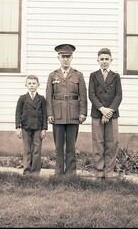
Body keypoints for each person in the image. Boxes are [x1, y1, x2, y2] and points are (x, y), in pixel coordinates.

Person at [46, 44, 87, 176]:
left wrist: (82, 113)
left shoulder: (78, 75)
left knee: (71, 146)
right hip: (57, 115)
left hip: (73, 114)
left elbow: (83, 95)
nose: (65, 59)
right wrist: (50, 113)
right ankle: (58, 173)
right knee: (58, 146)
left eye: (68, 57)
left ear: (72, 58)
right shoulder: (52, 75)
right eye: (63, 57)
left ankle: (70, 173)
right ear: (58, 57)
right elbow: (48, 96)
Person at [88, 48, 122, 180]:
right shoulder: (93, 75)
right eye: (101, 59)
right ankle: (99, 172)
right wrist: (102, 109)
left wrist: (109, 111)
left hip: (112, 115)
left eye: (106, 59)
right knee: (98, 143)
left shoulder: (116, 76)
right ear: (98, 60)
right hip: (97, 114)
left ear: (111, 60)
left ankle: (109, 172)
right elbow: (92, 94)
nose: (104, 62)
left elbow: (119, 95)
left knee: (112, 143)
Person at [15, 75, 47, 175]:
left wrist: (44, 128)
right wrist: (18, 127)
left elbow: (45, 114)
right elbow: (18, 113)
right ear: (26, 85)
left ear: (38, 85)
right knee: (27, 150)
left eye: (34, 83)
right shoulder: (22, 98)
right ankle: (27, 171)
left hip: (38, 127)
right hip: (25, 127)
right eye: (29, 83)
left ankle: (35, 172)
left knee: (37, 150)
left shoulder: (41, 99)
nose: (31, 85)